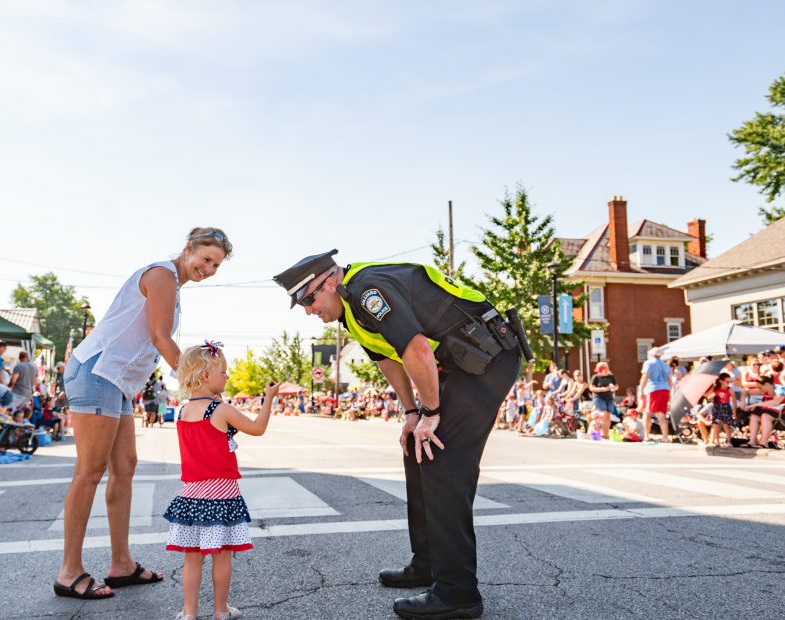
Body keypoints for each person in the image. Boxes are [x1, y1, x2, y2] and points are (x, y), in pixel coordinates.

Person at [274, 249, 528, 619]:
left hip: (486, 359)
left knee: (443, 458)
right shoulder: (351, 309)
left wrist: (433, 413)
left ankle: (457, 592)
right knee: (417, 445)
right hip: (460, 362)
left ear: (329, 282)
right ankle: (427, 563)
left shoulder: (366, 291)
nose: (309, 310)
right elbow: (387, 358)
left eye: (309, 299)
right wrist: (412, 413)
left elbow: (417, 348)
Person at [55, 226, 232, 600]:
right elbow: (160, 337)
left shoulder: (174, 284)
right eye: (206, 258)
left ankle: (121, 564)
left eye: (216, 264)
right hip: (97, 371)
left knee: (125, 467)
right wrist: (195, 390)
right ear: (188, 248)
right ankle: (69, 572)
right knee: (90, 471)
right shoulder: (162, 274)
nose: (209, 268)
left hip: (116, 380)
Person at [162, 343, 278, 620]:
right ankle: (220, 611)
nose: (227, 376)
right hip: (222, 494)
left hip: (191, 495)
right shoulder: (220, 409)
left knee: (192, 557)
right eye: (223, 372)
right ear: (204, 376)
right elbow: (257, 429)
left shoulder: (183, 412)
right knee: (222, 555)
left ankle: (189, 613)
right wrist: (269, 398)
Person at [638, 347, 673, 442]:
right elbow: (670, 380)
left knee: (647, 412)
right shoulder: (666, 365)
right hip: (665, 389)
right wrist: (670, 392)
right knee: (661, 414)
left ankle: (646, 436)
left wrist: (641, 390)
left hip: (653, 389)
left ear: (651, 354)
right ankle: (665, 437)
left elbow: (645, 377)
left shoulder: (648, 363)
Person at [589, 362, 619, 438]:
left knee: (608, 415)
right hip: (599, 397)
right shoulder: (596, 377)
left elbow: (616, 386)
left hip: (609, 398)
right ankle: (600, 432)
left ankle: (606, 433)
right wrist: (602, 389)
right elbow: (591, 388)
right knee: (603, 414)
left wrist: (613, 388)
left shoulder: (611, 376)